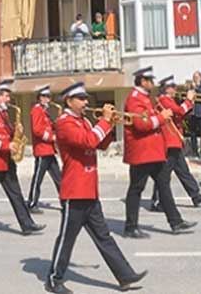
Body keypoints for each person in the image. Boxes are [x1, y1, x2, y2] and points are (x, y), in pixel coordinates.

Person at [45, 82, 148, 294]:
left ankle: (124, 274)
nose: (86, 102)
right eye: (81, 99)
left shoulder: (82, 121)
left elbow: (100, 144)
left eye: (85, 99)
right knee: (67, 238)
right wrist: (104, 121)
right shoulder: (64, 123)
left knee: (104, 236)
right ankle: (54, 279)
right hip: (74, 191)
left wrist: (111, 126)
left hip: (89, 189)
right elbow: (88, 141)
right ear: (69, 101)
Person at [123, 66, 197, 238]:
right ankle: (130, 226)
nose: (153, 83)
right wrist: (162, 117)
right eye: (150, 81)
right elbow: (141, 124)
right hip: (142, 151)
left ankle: (175, 222)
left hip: (152, 151)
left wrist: (160, 116)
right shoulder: (135, 99)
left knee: (163, 184)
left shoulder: (145, 98)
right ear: (143, 81)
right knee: (136, 188)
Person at [0, 80, 45, 238]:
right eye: (6, 96)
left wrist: (16, 131)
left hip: (6, 161)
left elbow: (7, 134)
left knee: (16, 193)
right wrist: (8, 146)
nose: (9, 99)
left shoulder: (4, 113)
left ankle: (26, 224)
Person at [150, 76, 201, 212]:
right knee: (164, 175)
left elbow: (179, 116)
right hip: (168, 141)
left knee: (183, 171)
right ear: (167, 89)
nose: (175, 89)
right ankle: (158, 201)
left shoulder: (169, 100)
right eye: (173, 86)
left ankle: (195, 195)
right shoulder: (164, 100)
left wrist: (190, 104)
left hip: (174, 141)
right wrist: (189, 100)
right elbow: (179, 111)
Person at [27, 85, 62, 214]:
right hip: (42, 149)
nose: (48, 99)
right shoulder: (37, 110)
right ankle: (32, 203)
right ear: (40, 98)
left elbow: (47, 126)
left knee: (59, 178)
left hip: (49, 150)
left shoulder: (44, 111)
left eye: (49, 96)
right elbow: (37, 130)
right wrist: (51, 137)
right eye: (45, 96)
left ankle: (65, 201)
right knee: (38, 179)